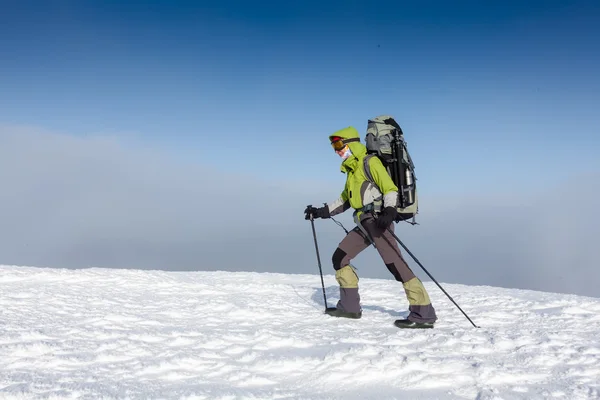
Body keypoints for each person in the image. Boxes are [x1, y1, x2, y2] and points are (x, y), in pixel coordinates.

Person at [304, 126, 438, 329]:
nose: (337, 150)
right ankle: (349, 307)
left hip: (378, 221)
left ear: (352, 144)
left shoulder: (370, 162)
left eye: (340, 144)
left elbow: (389, 188)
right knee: (339, 258)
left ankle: (423, 312)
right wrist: (320, 211)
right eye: (334, 146)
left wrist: (390, 211)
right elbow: (345, 199)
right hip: (364, 223)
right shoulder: (352, 171)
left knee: (396, 265)